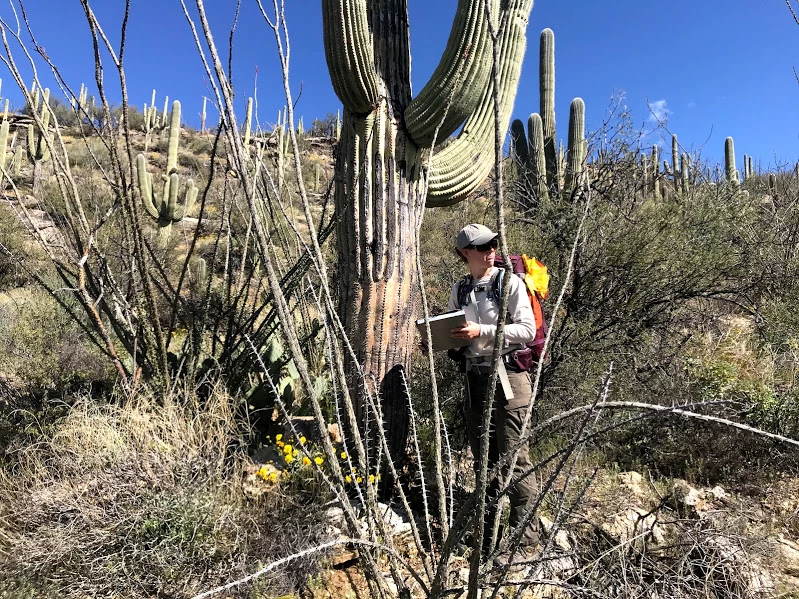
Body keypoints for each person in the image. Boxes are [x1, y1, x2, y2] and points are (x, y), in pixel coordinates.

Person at [448, 223, 540, 567]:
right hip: (475, 379)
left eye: (493, 244)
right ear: (465, 253)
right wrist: (439, 341)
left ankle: (524, 541)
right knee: (484, 460)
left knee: (515, 458)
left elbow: (527, 330)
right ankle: (486, 535)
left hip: (509, 377)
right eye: (483, 246)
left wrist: (481, 330)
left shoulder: (509, 283)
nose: (491, 250)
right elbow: (455, 330)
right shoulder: (460, 289)